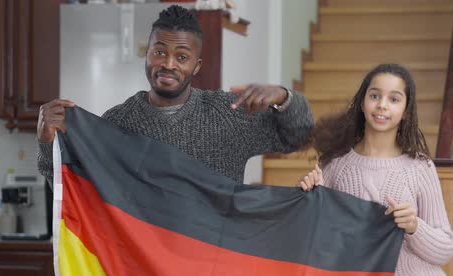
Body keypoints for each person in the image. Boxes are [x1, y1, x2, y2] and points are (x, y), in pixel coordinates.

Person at [36, 5, 313, 184]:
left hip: (211, 267)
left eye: (181, 56)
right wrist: (48, 144)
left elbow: (298, 136)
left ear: (197, 66)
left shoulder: (228, 114)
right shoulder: (118, 122)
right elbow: (77, 195)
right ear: (147, 55)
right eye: (160, 52)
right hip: (142, 271)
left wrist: (285, 97)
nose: (168, 64)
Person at [300, 63, 453, 276]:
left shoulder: (420, 167)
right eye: (375, 96)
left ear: (405, 112)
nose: (382, 105)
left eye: (394, 99)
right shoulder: (335, 166)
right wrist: (309, 197)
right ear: (362, 103)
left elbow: (445, 249)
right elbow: (319, 241)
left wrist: (414, 227)